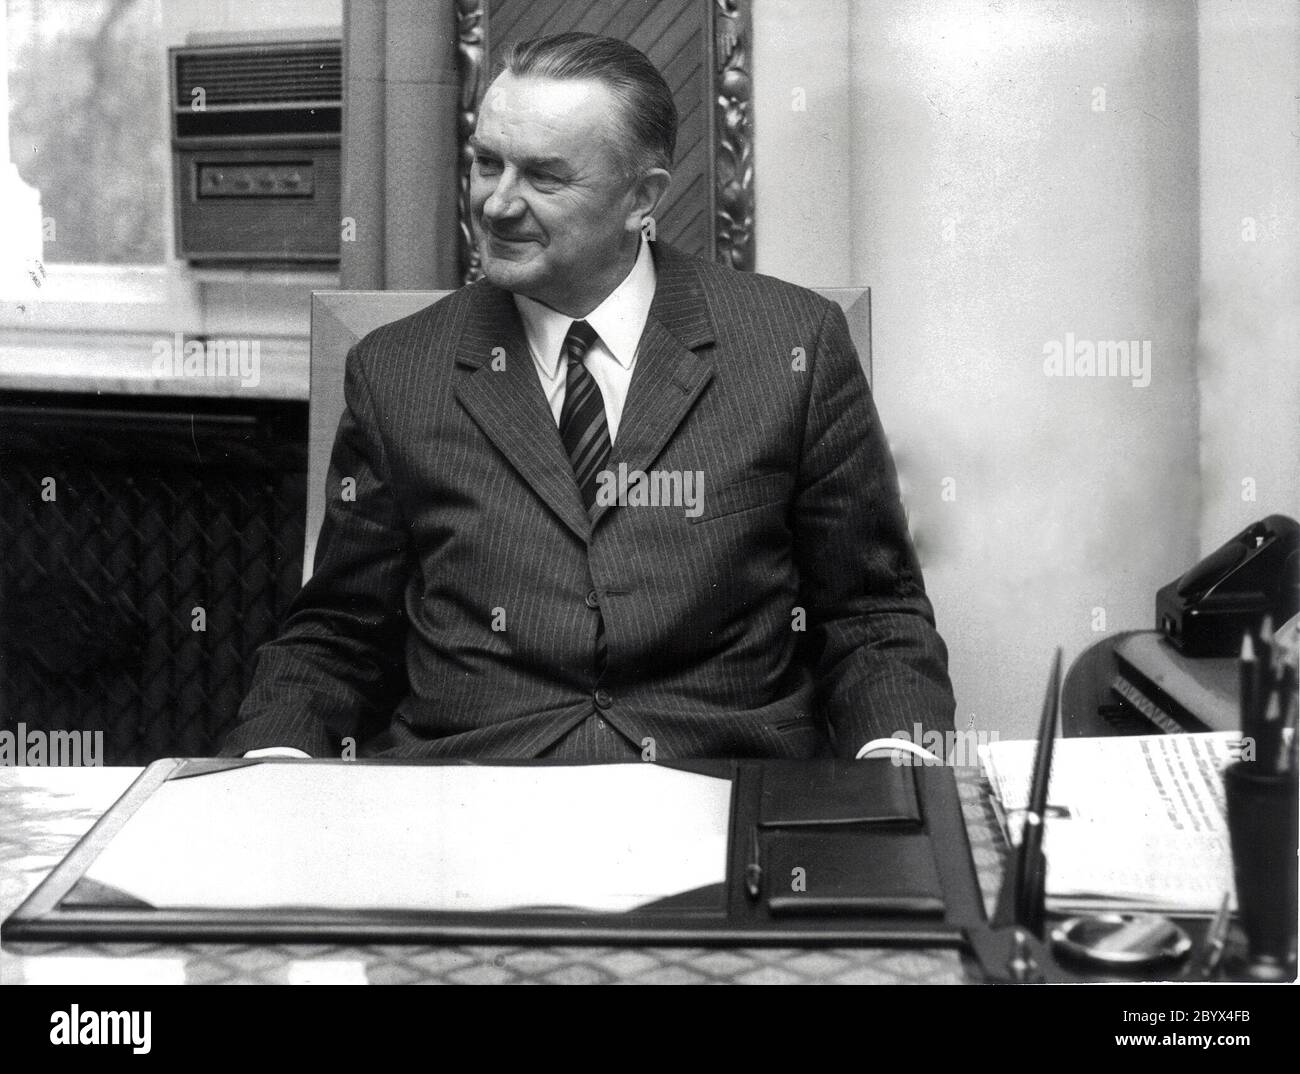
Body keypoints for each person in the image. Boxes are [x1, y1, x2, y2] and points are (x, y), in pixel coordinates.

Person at [222, 32, 954, 762]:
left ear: (643, 198)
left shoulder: (792, 346)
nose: (498, 204)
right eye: (486, 165)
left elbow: (872, 612)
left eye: (544, 177)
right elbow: (340, 632)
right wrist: (272, 764)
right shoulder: (398, 370)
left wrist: (897, 766)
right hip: (476, 807)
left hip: (720, 791)